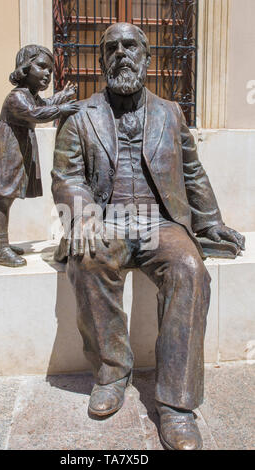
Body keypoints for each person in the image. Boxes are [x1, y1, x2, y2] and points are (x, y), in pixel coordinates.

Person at [51, 23, 245, 450]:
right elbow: (67, 175)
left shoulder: (171, 112)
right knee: (88, 260)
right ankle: (111, 373)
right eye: (112, 48)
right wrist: (83, 215)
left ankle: (177, 405)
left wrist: (210, 222)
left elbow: (192, 171)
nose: (122, 53)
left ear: (146, 57)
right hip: (108, 218)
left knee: (190, 270)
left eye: (131, 46)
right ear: (102, 60)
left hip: (161, 223)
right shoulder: (79, 115)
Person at [0, 44, 79, 267]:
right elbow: (36, 113)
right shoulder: (17, 96)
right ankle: (1, 248)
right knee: (2, 199)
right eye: (42, 66)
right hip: (7, 152)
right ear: (25, 67)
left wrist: (62, 96)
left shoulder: (29, 95)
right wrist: (61, 109)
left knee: (3, 198)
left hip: (15, 150)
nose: (47, 74)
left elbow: (43, 104)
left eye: (50, 71)